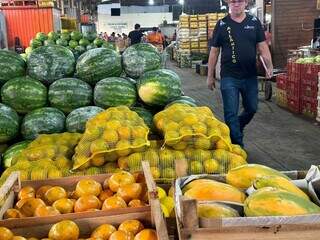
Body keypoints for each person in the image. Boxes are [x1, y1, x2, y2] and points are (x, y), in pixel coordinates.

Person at [206, 0, 273, 148]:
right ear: (229, 3)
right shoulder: (222, 24)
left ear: (246, 3)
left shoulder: (254, 22)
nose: (236, 4)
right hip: (229, 77)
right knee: (230, 113)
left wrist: (270, 65)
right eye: (233, 1)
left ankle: (237, 127)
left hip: (249, 76)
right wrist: (210, 76)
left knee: (252, 108)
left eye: (240, 1)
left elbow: (262, 46)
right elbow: (214, 51)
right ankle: (238, 147)